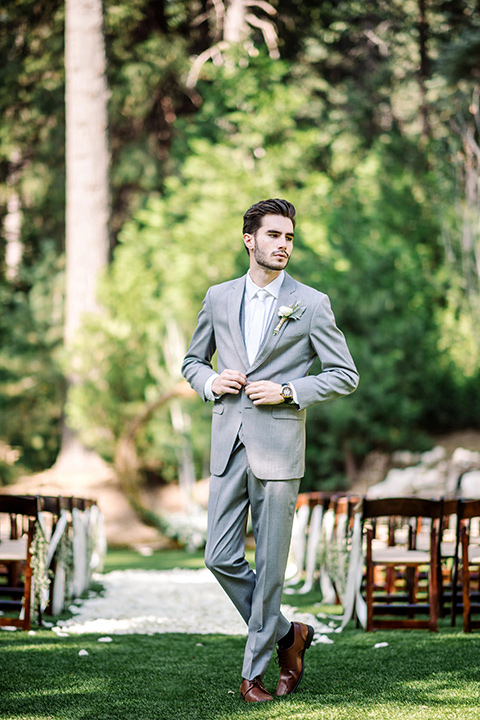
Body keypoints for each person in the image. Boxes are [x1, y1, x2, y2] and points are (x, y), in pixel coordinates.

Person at [182, 198, 359, 702]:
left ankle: (252, 676)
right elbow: (193, 361)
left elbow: (344, 374)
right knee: (219, 556)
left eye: (289, 237)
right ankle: (289, 635)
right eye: (274, 235)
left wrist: (288, 390)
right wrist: (212, 380)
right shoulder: (218, 298)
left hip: (280, 449)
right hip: (228, 443)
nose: (283, 245)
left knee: (272, 564)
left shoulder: (312, 302)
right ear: (249, 240)